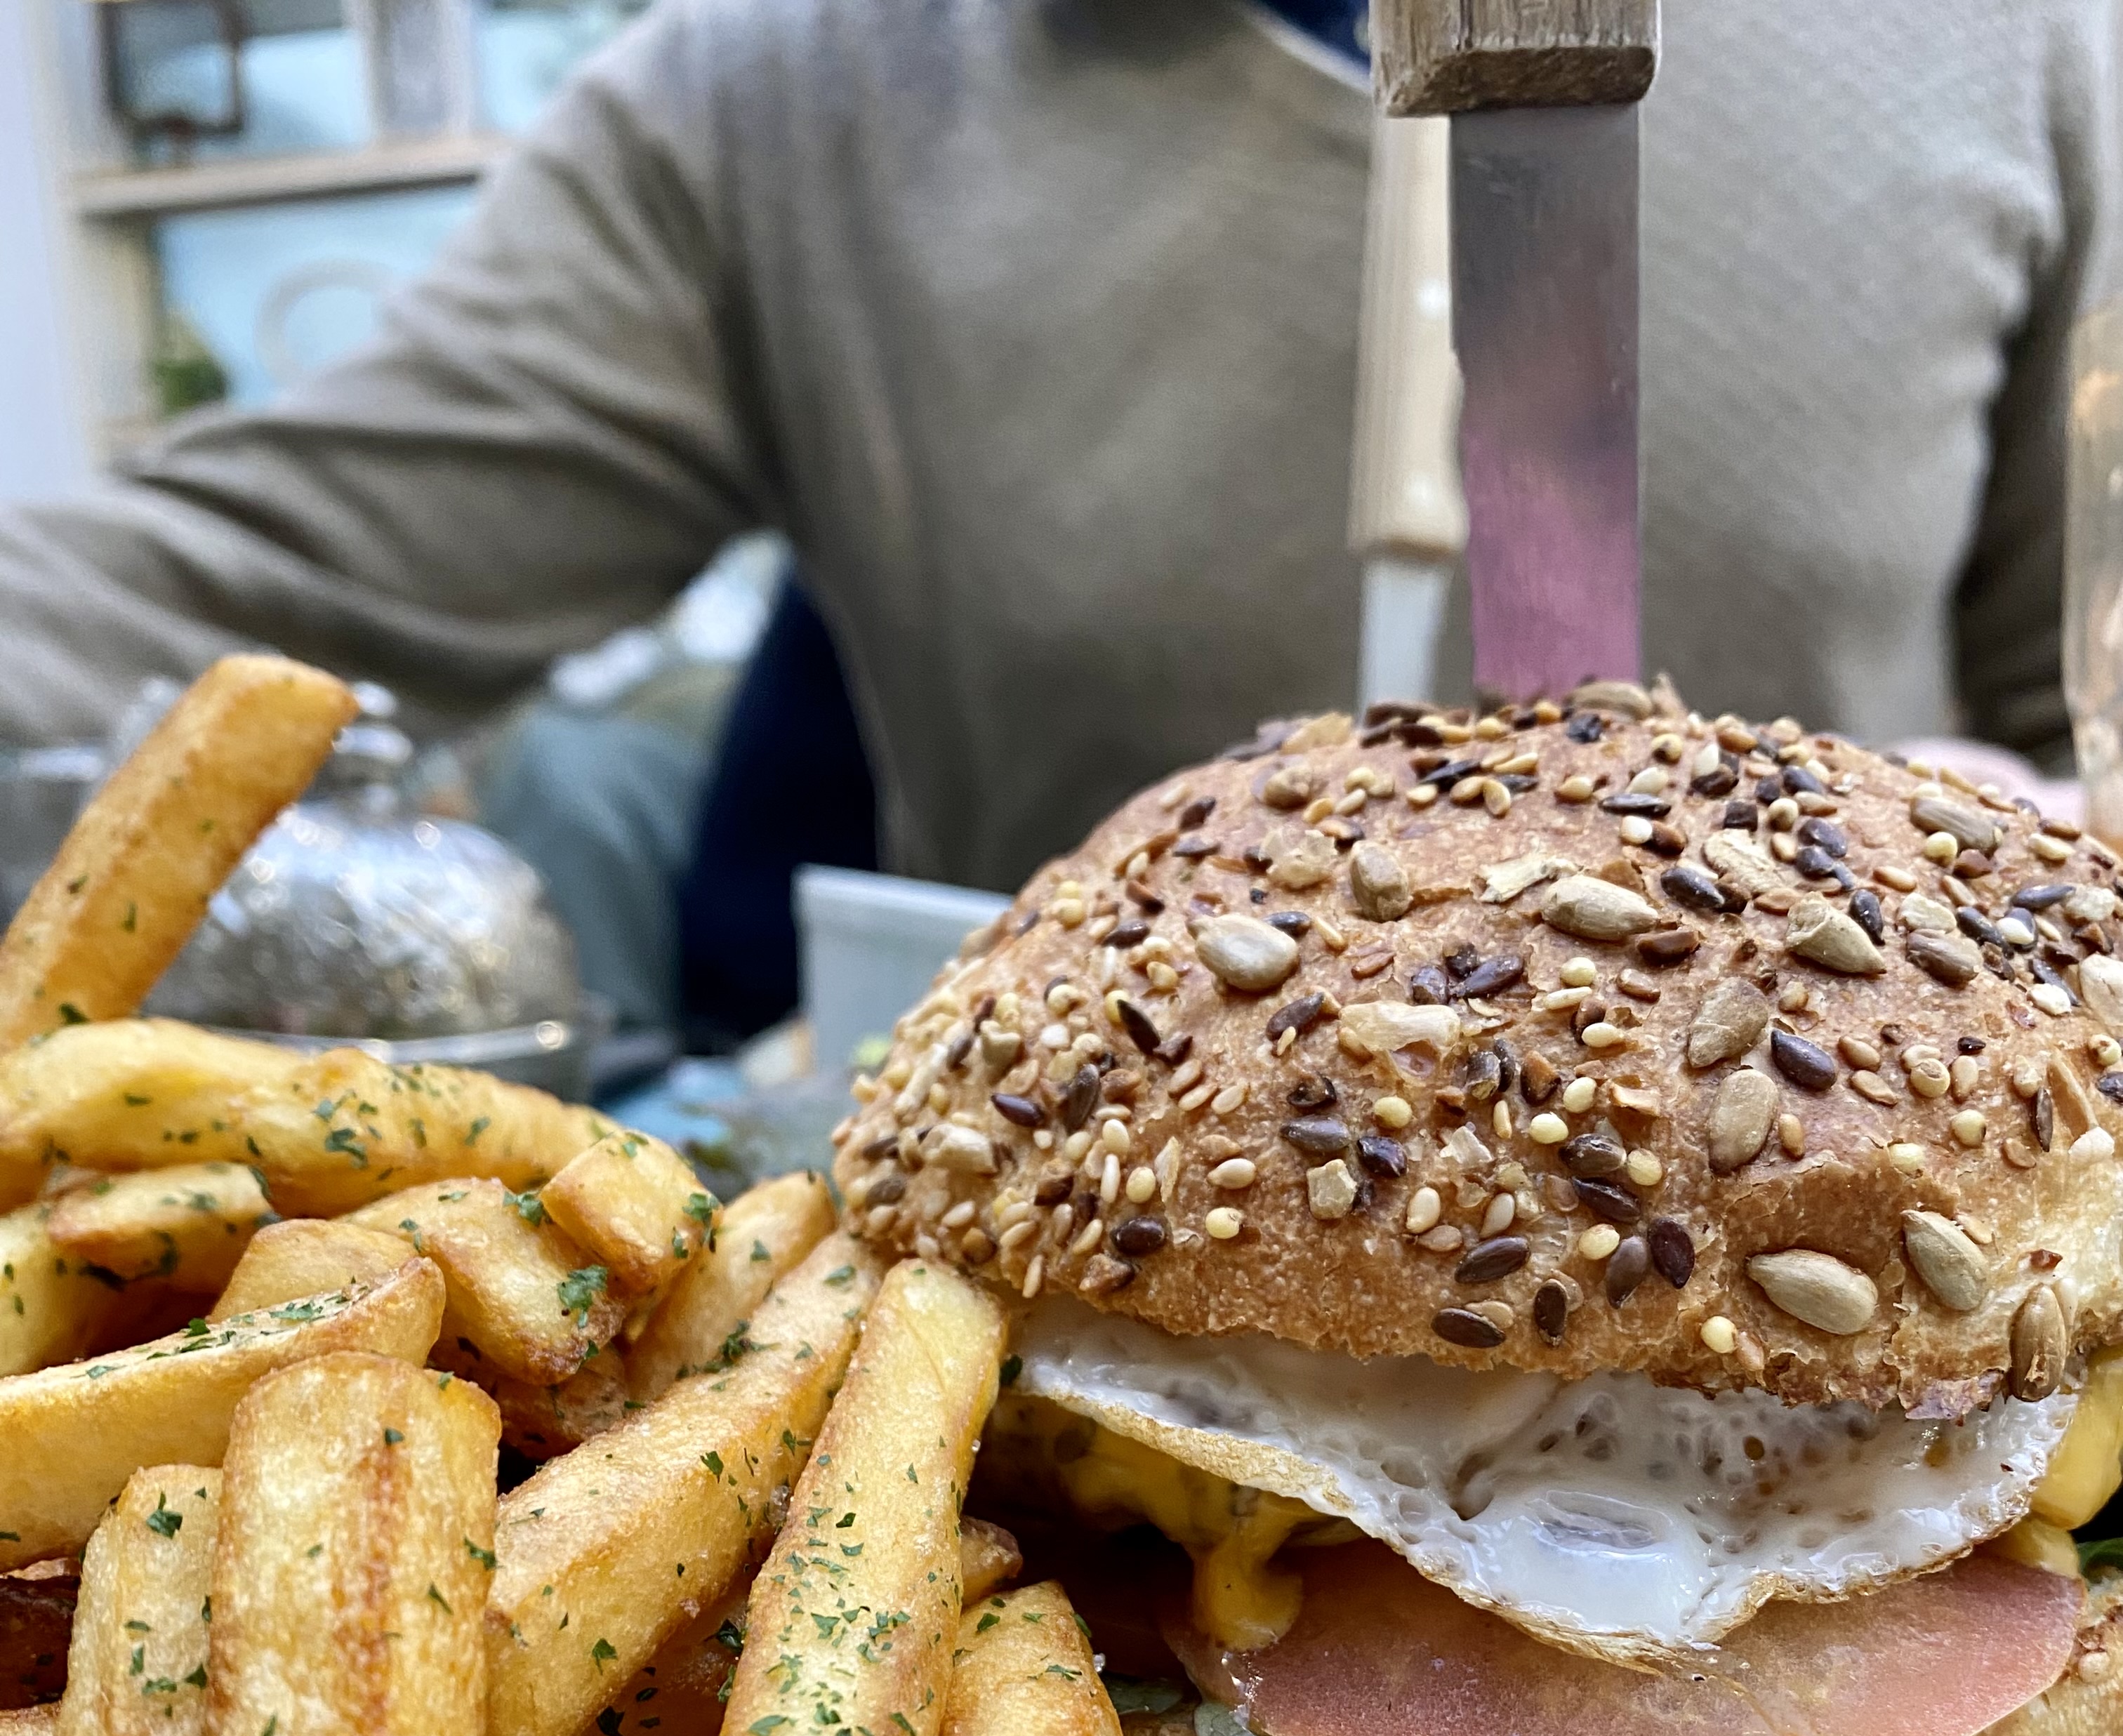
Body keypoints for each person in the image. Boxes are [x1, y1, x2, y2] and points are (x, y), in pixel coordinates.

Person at [0, 0, 2112, 1013]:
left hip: (1872, 1276)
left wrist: (2020, 851)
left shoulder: (2011, 47)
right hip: (1055, 1384)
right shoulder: (763, 100)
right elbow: (230, 585)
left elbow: (2078, 718)